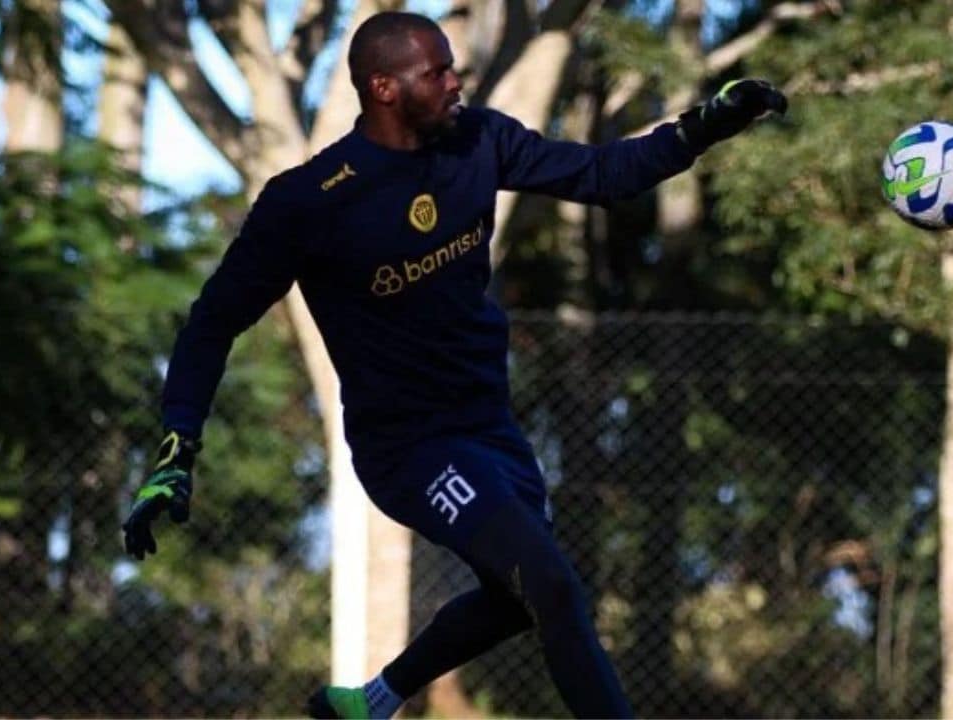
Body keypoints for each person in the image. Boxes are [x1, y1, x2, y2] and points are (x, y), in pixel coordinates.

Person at [121, 10, 787, 719]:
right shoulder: (308, 202)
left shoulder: (478, 139)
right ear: (382, 86)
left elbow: (602, 175)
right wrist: (176, 451)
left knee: (519, 596)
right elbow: (210, 326)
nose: (453, 80)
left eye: (452, 66)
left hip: (490, 428)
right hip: (407, 447)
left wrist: (707, 124)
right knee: (549, 583)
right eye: (435, 72)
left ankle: (373, 701)